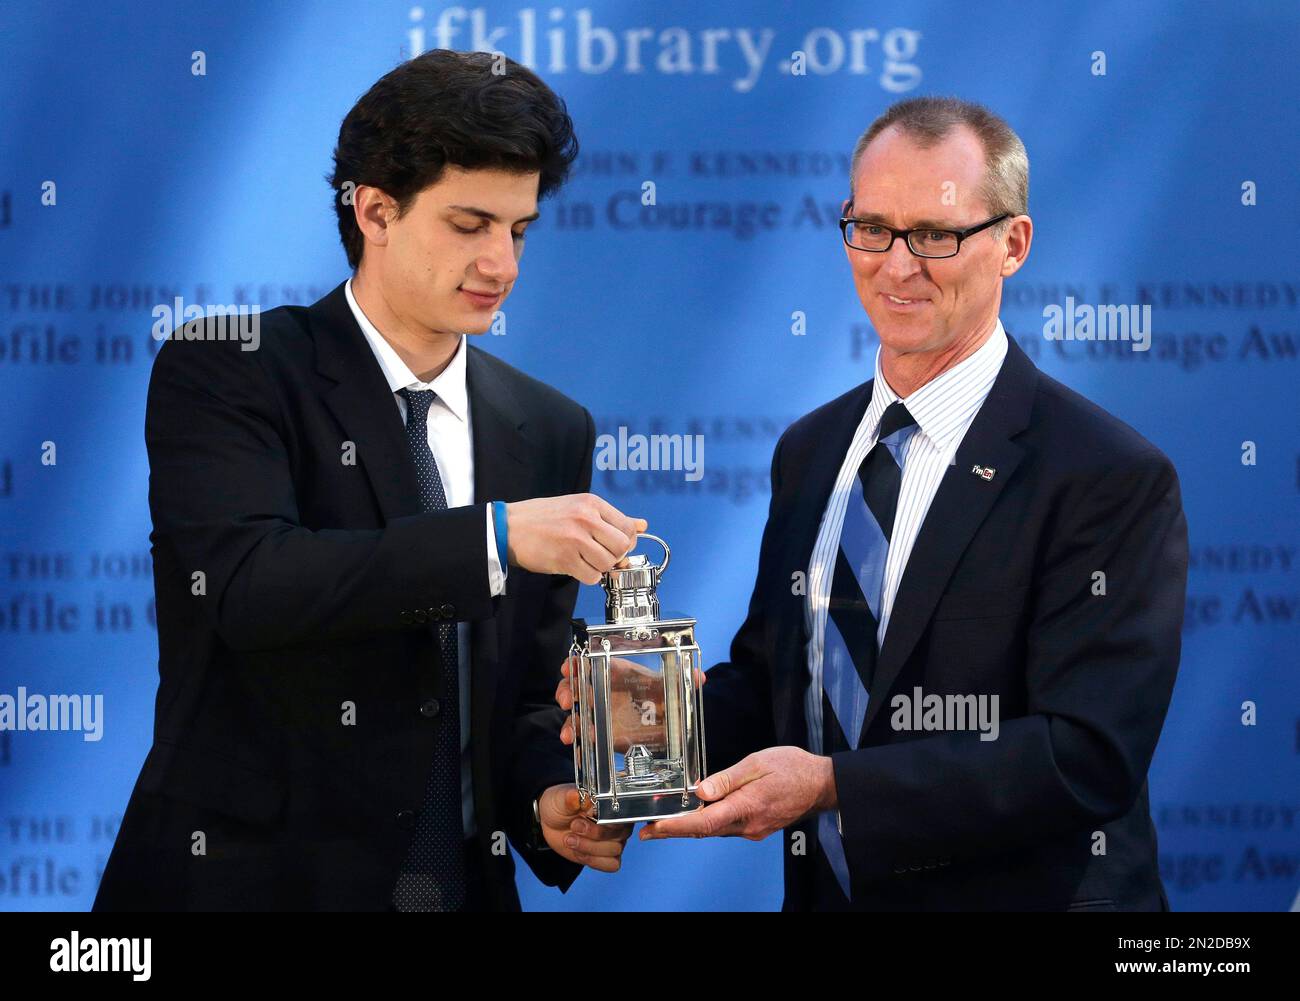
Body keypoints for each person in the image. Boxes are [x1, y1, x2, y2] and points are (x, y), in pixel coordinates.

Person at [561, 96, 1187, 911]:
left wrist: (833, 786)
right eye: (872, 228)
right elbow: (776, 686)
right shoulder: (812, 449)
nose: (897, 265)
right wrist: (639, 721)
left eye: (935, 235)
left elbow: (1085, 753)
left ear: (1013, 244)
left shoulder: (1107, 474)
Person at [94, 49, 635, 912]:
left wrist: (545, 800)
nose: (502, 263)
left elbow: (522, 695)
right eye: (470, 224)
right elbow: (248, 587)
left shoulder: (550, 429)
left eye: (519, 228)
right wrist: (492, 539)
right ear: (375, 209)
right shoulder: (232, 366)